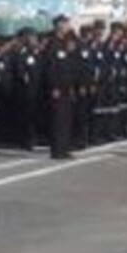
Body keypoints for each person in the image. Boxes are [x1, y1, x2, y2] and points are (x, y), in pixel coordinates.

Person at [43, 15, 76, 160]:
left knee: (66, 119)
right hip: (57, 88)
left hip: (67, 87)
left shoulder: (65, 43)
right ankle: (56, 150)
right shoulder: (53, 43)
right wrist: (53, 86)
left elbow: (68, 67)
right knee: (57, 120)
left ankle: (65, 148)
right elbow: (50, 67)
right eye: (65, 23)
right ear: (58, 25)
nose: (68, 25)